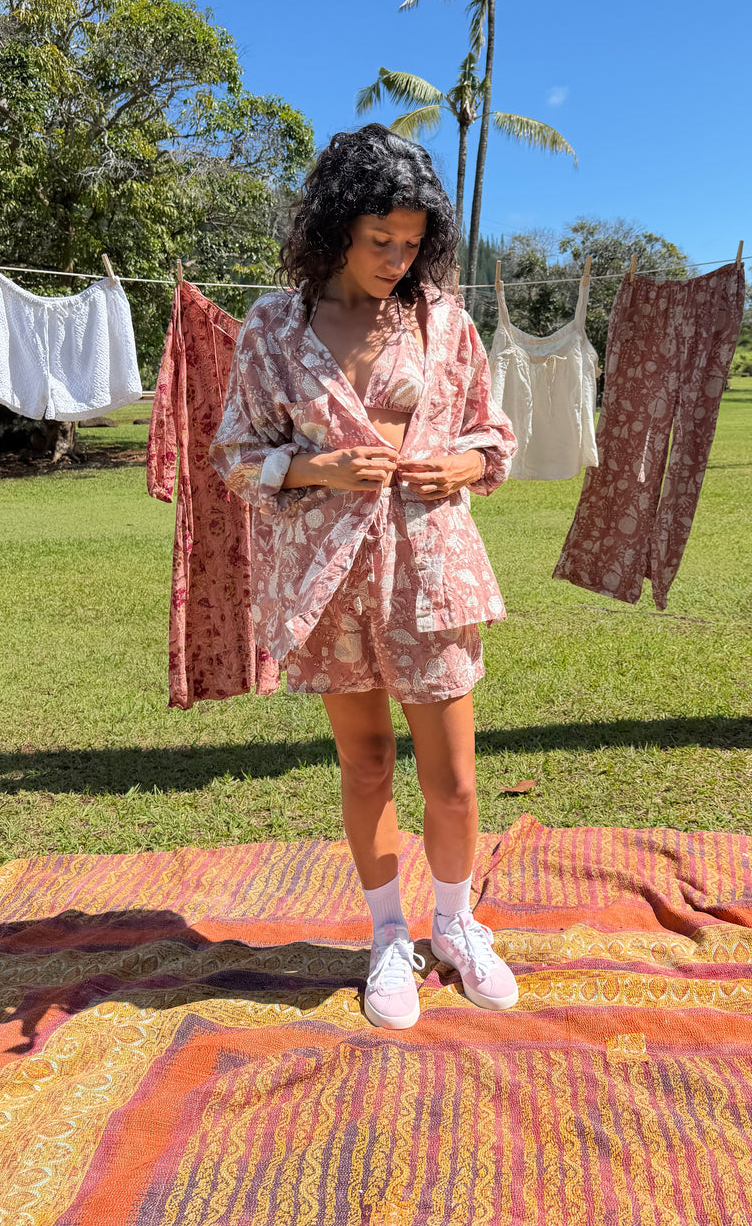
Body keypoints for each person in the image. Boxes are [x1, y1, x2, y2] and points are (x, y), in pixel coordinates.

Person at [210, 124, 518, 1030]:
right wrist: (316, 470)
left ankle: (457, 925)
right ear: (337, 226)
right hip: (329, 578)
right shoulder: (274, 327)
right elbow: (235, 453)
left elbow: (492, 437)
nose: (396, 257)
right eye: (380, 238)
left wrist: (462, 467)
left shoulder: (444, 320)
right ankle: (389, 936)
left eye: (414, 242)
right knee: (368, 762)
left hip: (431, 570)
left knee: (454, 779)